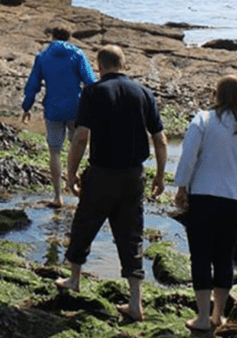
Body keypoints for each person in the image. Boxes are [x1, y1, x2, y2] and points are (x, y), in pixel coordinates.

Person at [55, 45, 168, 322]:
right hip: (133, 176)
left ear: (100, 66)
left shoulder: (93, 92)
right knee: (131, 235)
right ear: (123, 63)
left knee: (84, 225)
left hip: (102, 173)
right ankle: (135, 302)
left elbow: (81, 137)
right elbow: (161, 139)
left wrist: (71, 173)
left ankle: (74, 279)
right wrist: (160, 175)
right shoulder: (144, 93)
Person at [174, 75, 237, 333]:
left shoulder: (203, 120)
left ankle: (202, 317)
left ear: (218, 94)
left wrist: (181, 186)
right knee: (225, 255)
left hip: (203, 196)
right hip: (236, 201)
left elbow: (188, 156)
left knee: (201, 255)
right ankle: (219, 315)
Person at [21, 25, 96, 207]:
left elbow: (33, 85)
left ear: (52, 37)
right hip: (76, 109)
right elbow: (90, 82)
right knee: (76, 146)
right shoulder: (77, 54)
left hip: (53, 109)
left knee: (54, 151)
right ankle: (75, 186)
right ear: (69, 37)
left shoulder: (43, 57)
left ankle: (57, 196)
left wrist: (26, 107)